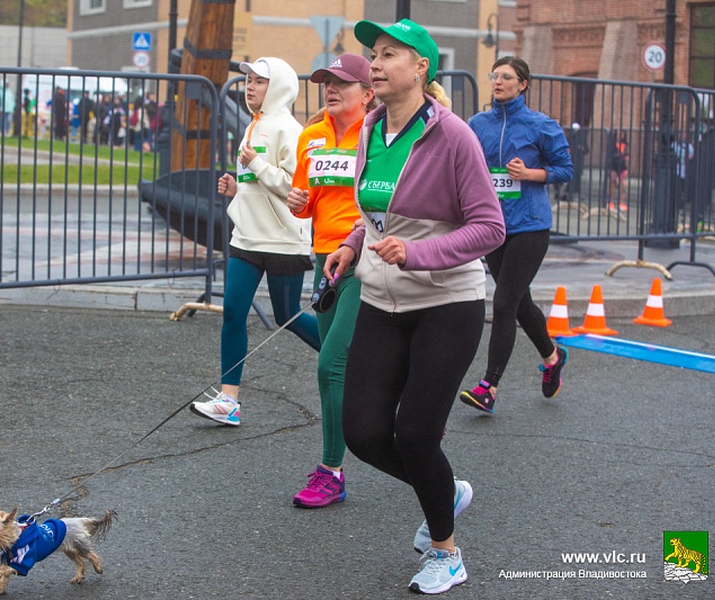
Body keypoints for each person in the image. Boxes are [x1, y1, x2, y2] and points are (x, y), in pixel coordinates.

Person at [323, 20, 505, 595]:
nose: (374, 64)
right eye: (372, 54)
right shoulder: (370, 129)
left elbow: (490, 226)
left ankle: (446, 552)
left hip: (447, 300)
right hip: (381, 296)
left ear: (421, 67)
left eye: (389, 54)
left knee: (417, 434)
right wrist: (352, 245)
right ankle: (444, 491)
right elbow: (375, 213)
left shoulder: (454, 136)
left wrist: (420, 252)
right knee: (363, 431)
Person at [190, 57, 320, 427]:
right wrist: (236, 188)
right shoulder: (254, 125)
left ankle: (347, 363)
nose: (250, 86)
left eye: (260, 81)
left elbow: (297, 188)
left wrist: (257, 168)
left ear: (277, 86)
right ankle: (228, 401)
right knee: (233, 313)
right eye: (248, 80)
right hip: (247, 236)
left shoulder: (291, 131)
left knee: (288, 315)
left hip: (282, 240)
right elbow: (256, 184)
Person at [284, 54, 376, 508]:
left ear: (368, 92)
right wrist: (296, 200)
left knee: (330, 365)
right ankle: (404, 401)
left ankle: (331, 471)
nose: (330, 88)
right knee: (346, 362)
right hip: (325, 257)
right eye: (326, 82)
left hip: (367, 256)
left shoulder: (377, 136)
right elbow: (303, 203)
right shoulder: (310, 136)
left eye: (341, 82)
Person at [459, 56, 573, 415]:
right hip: (492, 226)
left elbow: (564, 169)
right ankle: (552, 357)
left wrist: (531, 174)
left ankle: (488, 386)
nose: (498, 81)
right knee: (520, 302)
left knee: (505, 302)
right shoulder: (477, 124)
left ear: (523, 84)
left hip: (530, 226)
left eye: (507, 77)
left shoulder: (541, 125)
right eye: (495, 75)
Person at [608, 131, 629, 211]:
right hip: (614, 167)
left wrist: (627, 168)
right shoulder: (612, 145)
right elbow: (610, 156)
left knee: (624, 185)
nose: (620, 135)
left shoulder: (625, 145)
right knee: (612, 184)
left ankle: (622, 203)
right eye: (619, 134)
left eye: (622, 134)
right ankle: (610, 202)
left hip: (622, 167)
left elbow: (627, 157)